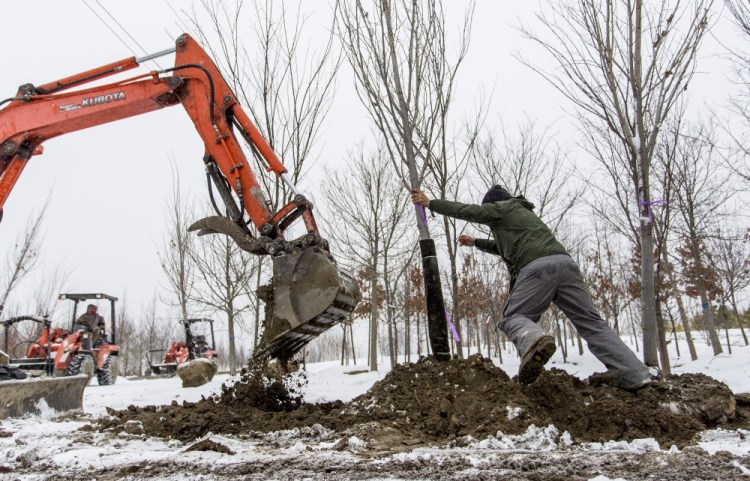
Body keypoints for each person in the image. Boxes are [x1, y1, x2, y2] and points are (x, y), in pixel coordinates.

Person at [410, 185, 652, 391]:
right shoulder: (524, 219)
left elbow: (468, 211)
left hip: (538, 269)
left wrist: (431, 203)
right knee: (593, 324)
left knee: (514, 317)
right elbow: (504, 248)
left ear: (495, 204)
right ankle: (634, 374)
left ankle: (534, 339)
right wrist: (476, 243)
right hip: (566, 266)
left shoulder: (504, 207)